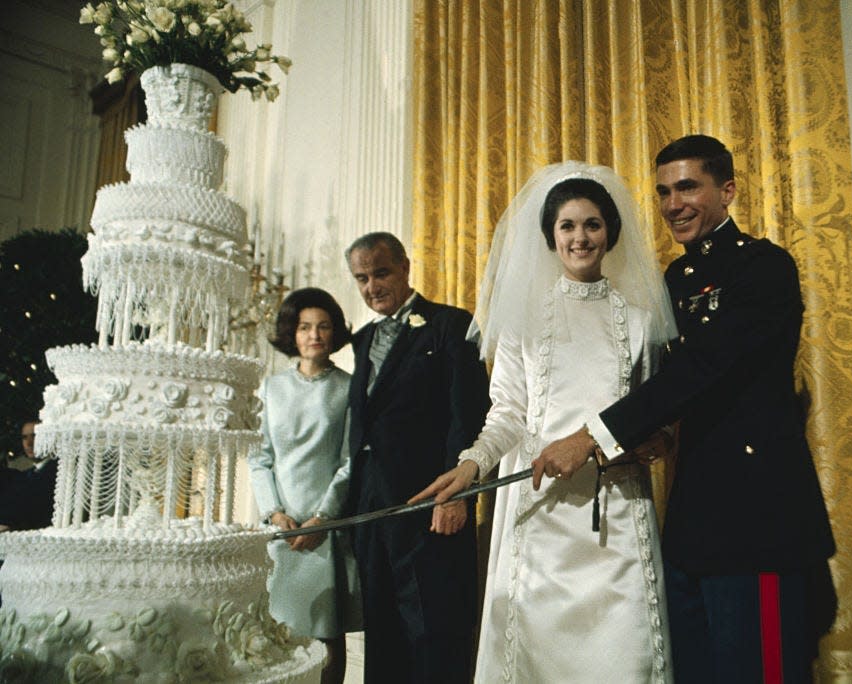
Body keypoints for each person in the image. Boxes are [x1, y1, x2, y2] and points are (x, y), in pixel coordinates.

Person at [535, 135, 837, 682]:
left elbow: (706, 368)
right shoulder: (673, 280)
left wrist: (593, 436)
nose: (674, 203)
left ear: (727, 191)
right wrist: (663, 435)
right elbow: (678, 389)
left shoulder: (763, 267)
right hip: (692, 518)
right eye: (664, 192)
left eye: (688, 187)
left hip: (757, 516)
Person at [411, 162, 678, 682]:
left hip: (617, 512)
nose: (581, 238)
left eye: (592, 225)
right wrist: (471, 467)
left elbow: (654, 413)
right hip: (541, 512)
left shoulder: (643, 323)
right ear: (551, 237)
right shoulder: (524, 318)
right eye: (568, 226)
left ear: (610, 233)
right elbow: (508, 412)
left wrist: (658, 440)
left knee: (623, 657)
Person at [345, 231, 490, 683]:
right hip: (371, 507)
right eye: (362, 278)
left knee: (434, 628)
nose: (372, 287)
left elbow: (466, 417)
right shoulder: (362, 339)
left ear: (406, 267)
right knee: (382, 627)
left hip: (429, 503)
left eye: (381, 272)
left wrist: (456, 496)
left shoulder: (451, 324)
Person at [249, 287, 362, 684]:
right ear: (291, 334)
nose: (314, 335)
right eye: (305, 327)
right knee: (277, 634)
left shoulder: (349, 388)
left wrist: (324, 517)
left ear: (335, 333)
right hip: (281, 529)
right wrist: (274, 513)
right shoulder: (270, 389)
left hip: (326, 527)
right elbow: (259, 458)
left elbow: (351, 460)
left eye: (324, 326)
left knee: (327, 634)